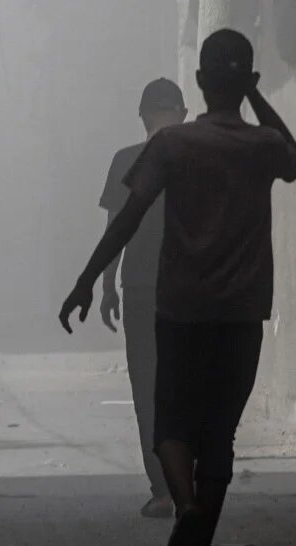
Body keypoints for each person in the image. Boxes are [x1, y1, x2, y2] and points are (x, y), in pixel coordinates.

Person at [59, 29, 296, 546]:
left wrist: (90, 279)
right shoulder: (259, 145)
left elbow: (125, 218)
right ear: (243, 82)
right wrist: (255, 96)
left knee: (166, 413)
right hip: (241, 309)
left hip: (177, 303)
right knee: (220, 431)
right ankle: (199, 542)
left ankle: (183, 505)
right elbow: (292, 156)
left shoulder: (167, 147)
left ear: (199, 84)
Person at [99, 78, 188, 520]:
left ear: (142, 117)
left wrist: (104, 286)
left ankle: (164, 491)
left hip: (140, 290)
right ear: (184, 115)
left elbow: (117, 229)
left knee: (148, 388)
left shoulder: (124, 160)